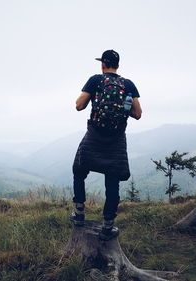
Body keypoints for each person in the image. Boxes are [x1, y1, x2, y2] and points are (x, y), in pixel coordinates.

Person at [70, 49, 142, 240]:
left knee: (79, 170)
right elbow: (138, 114)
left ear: (103, 64)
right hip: (116, 140)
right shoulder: (128, 84)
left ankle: (79, 213)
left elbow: (79, 105)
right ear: (117, 65)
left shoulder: (95, 80)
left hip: (94, 135)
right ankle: (108, 226)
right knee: (112, 180)